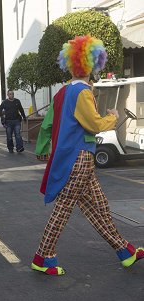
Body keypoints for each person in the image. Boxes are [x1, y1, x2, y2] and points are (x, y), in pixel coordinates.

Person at [31, 35, 143, 276]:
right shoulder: (83, 92)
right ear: (91, 64)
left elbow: (47, 125)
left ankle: (124, 251)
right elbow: (94, 124)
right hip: (79, 157)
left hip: (75, 158)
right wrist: (113, 116)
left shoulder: (62, 93)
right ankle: (42, 256)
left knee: (99, 206)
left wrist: (41, 149)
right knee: (64, 208)